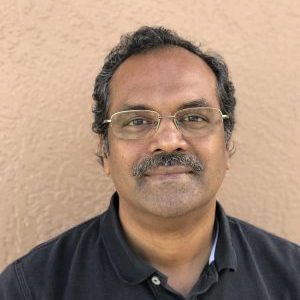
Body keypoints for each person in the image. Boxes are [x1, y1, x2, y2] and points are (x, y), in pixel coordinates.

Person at [0, 26, 299, 300]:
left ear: (227, 145)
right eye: (137, 121)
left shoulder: (292, 280)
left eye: (194, 117)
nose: (168, 141)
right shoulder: (32, 288)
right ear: (105, 151)